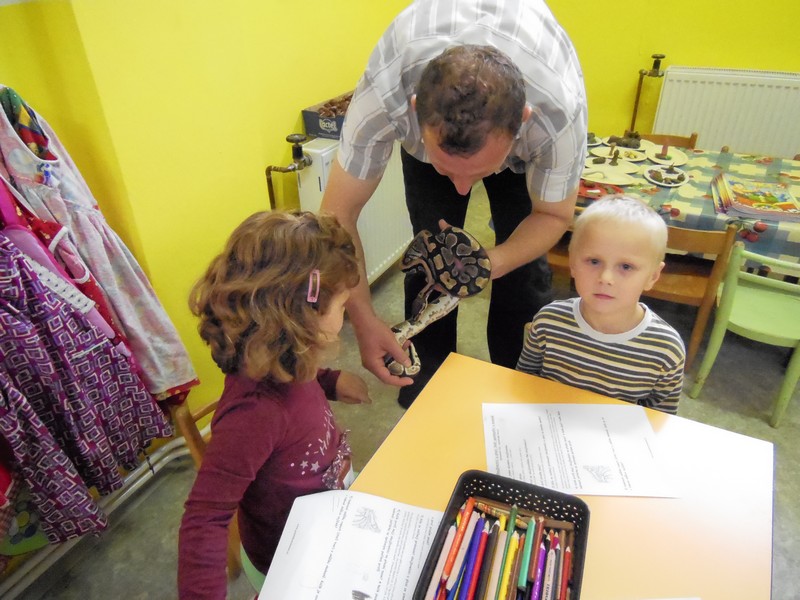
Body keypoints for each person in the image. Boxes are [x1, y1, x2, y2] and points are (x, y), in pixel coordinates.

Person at [321, 0, 588, 408]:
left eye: (479, 171)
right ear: (415, 111)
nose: (463, 190)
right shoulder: (388, 91)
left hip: (522, 137)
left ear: (523, 120)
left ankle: (518, 388)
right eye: (447, 169)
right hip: (436, 109)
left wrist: (492, 263)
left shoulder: (557, 114)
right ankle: (424, 389)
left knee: (522, 275)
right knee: (428, 256)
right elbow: (337, 217)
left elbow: (553, 214)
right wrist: (364, 321)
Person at [177, 211, 371, 598]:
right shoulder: (254, 415)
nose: (346, 313)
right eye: (342, 305)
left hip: (329, 516)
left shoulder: (284, 356)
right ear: (302, 318)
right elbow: (205, 519)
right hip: (290, 561)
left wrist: (329, 381)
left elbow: (297, 378)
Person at [516, 196, 685, 414]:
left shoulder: (666, 349)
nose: (605, 278)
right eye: (594, 261)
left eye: (626, 266)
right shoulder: (548, 321)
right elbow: (524, 383)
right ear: (573, 263)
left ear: (653, 276)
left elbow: (660, 418)